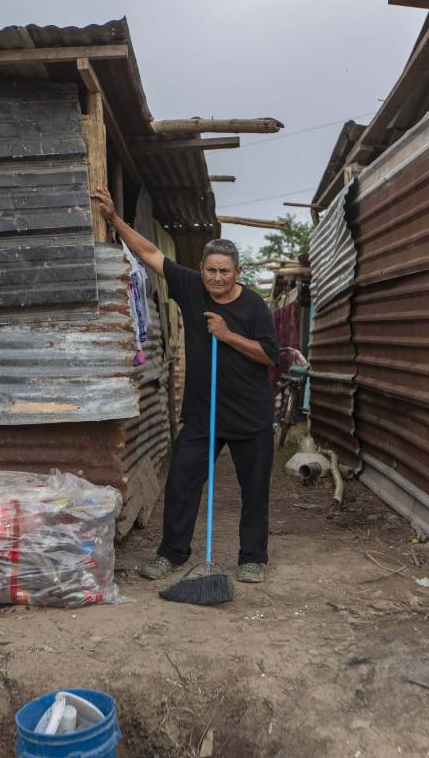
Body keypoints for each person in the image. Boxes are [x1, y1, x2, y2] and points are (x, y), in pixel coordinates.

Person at [92, 190, 279, 584]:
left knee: (254, 491)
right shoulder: (191, 286)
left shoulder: (255, 306)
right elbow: (148, 254)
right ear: (201, 268)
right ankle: (171, 553)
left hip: (249, 415)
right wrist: (114, 220)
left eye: (224, 271)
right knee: (181, 483)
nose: (216, 277)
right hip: (203, 412)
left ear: (237, 272)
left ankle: (252, 557)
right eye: (210, 270)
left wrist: (227, 335)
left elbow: (269, 355)